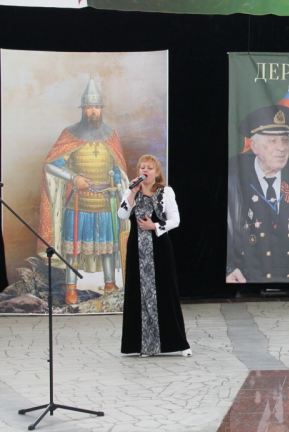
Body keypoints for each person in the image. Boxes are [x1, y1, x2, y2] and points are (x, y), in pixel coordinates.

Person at [37, 74, 129, 305]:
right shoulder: (70, 134)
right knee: (73, 247)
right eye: (89, 107)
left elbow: (117, 167)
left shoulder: (112, 135)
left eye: (97, 107)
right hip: (78, 201)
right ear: (83, 110)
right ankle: (71, 287)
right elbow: (51, 164)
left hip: (106, 200)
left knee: (108, 245)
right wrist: (74, 177)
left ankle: (109, 283)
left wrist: (119, 185)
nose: (93, 111)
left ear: (102, 109)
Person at [226, 105, 289, 283]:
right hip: (246, 281)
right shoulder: (233, 178)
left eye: (285, 140)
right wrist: (228, 269)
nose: (282, 148)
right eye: (272, 141)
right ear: (254, 146)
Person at [118, 155, 190, 357]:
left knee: (165, 293)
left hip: (159, 249)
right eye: (142, 167)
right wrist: (131, 194)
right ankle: (143, 345)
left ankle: (178, 343)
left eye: (150, 168)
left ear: (157, 172)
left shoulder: (165, 192)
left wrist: (154, 226)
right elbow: (122, 215)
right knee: (138, 295)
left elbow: (175, 220)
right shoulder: (131, 191)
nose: (145, 170)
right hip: (137, 251)